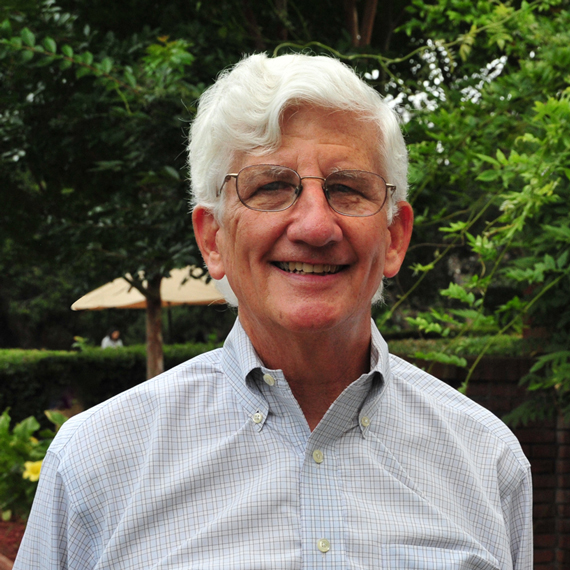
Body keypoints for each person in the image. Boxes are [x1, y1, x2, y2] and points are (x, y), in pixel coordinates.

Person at [15, 53, 532, 569]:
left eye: (348, 189)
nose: (314, 226)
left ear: (395, 238)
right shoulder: (92, 465)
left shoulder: (489, 462)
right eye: (270, 188)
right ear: (212, 237)